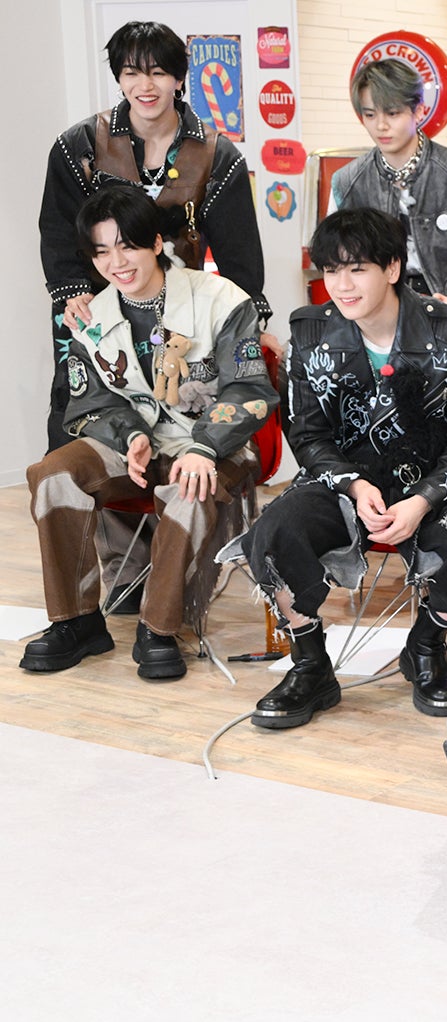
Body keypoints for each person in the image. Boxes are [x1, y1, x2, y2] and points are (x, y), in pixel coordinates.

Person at [230, 208, 447, 728]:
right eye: (331, 271)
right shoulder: (310, 333)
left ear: (392, 268)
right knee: (274, 533)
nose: (342, 285)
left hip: (437, 485)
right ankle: (310, 665)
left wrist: (422, 500)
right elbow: (307, 435)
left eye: (357, 269)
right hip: (343, 485)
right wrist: (356, 485)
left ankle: (425, 645)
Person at [41, 20, 272, 612]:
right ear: (118, 78)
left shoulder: (216, 154)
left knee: (188, 430)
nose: (145, 85)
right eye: (131, 72)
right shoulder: (77, 146)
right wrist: (73, 294)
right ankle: (124, 576)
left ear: (178, 78)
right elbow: (59, 234)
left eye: (159, 72)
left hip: (185, 316)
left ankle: (176, 580)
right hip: (98, 314)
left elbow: (241, 255)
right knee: (94, 428)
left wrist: (241, 318)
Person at [20, 187, 276, 681]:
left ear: (156, 243)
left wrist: (204, 447)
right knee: (53, 475)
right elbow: (91, 402)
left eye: (127, 246)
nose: (116, 263)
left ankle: (159, 628)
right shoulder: (91, 319)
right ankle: (76, 621)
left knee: (190, 489)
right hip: (136, 447)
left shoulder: (221, 299)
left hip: (211, 444)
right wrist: (130, 437)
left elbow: (248, 390)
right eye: (102, 252)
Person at [330, 59, 447, 356]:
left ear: (419, 111)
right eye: (370, 114)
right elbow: (335, 263)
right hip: (370, 322)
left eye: (392, 113)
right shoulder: (347, 182)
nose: (381, 125)